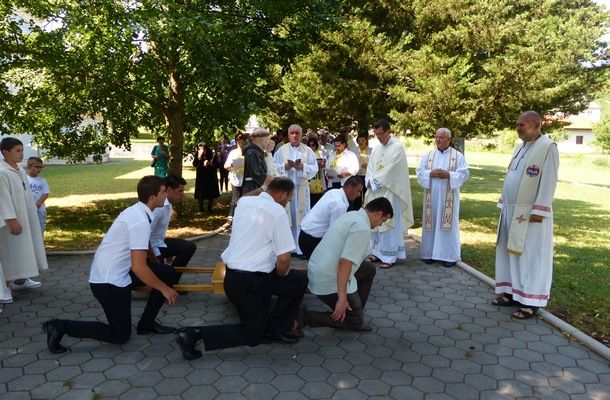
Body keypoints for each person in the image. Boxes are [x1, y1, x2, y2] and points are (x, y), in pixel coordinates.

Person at [42, 176, 180, 354]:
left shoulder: (138, 211)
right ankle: (59, 326)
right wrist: (164, 289)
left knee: (167, 273)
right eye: (163, 192)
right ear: (152, 197)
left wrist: (158, 270)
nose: (166, 195)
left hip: (121, 271)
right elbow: (139, 267)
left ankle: (147, 324)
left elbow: (141, 251)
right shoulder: (139, 220)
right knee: (120, 335)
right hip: (108, 282)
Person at [174, 178, 308, 360]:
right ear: (283, 195)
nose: (288, 203)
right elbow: (284, 259)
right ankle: (194, 334)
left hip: (234, 278)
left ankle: (278, 328)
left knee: (298, 281)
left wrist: (263, 187)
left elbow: (247, 195)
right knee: (253, 337)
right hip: (251, 284)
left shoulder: (245, 203)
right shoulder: (277, 212)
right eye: (289, 199)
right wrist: (281, 273)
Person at [492, 111, 559, 320]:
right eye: (517, 124)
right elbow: (512, 175)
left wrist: (540, 209)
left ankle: (530, 302)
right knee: (509, 253)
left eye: (522, 125)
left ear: (537, 125)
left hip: (530, 213)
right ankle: (511, 293)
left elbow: (549, 180)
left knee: (528, 257)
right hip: (511, 210)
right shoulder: (520, 146)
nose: (518, 128)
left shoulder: (548, 147)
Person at [298, 197, 393, 331]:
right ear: (378, 214)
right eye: (383, 220)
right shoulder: (361, 228)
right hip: (328, 277)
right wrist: (342, 298)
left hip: (319, 268)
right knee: (354, 322)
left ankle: (354, 310)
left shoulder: (352, 215)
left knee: (368, 269)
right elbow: (344, 263)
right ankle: (302, 318)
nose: (381, 224)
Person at [0, 137, 46, 304]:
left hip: (26, 216)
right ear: (5, 152)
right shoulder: (2, 172)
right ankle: (5, 286)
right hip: (12, 220)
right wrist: (12, 220)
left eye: (22, 150)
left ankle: (20, 280)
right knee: (10, 252)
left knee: (24, 248)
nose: (21, 154)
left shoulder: (19, 169)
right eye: (17, 151)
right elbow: (3, 199)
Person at [416, 128, 470, 268]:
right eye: (436, 137)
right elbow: (419, 172)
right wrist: (430, 173)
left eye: (441, 137)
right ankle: (429, 254)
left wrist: (449, 175)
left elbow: (464, 174)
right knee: (431, 222)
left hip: (448, 196)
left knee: (447, 224)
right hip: (431, 195)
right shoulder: (428, 155)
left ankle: (448, 256)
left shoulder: (457, 156)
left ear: (449, 139)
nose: (438, 140)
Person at [365, 119, 414, 269]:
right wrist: (369, 180)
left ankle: (389, 256)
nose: (379, 137)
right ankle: (376, 252)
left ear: (388, 131)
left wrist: (375, 181)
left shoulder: (397, 147)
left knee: (388, 222)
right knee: (374, 222)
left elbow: (393, 170)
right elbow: (370, 168)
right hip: (375, 191)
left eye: (381, 134)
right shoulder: (376, 148)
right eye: (376, 134)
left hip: (390, 191)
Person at [273, 124, 319, 256]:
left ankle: (301, 248)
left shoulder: (308, 151)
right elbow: (274, 167)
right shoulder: (281, 150)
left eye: (297, 133)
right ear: (288, 135)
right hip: (286, 190)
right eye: (292, 133)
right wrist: (285, 166)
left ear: (301, 134)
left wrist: (303, 166)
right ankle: (290, 248)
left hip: (302, 189)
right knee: (288, 217)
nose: (294, 135)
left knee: (302, 217)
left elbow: (314, 168)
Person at [298, 176, 364, 259]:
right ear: (349, 188)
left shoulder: (333, 191)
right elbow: (335, 235)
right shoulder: (339, 204)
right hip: (312, 241)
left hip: (304, 234)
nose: (359, 195)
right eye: (358, 191)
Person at [150, 175, 196, 271]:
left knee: (189, 247)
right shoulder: (159, 208)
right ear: (169, 190)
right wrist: (155, 259)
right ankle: (170, 275)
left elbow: (159, 231)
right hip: (149, 248)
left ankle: (173, 275)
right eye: (180, 191)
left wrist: (168, 251)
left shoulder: (168, 204)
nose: (183, 194)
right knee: (164, 273)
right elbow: (144, 238)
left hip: (159, 243)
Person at [243, 128, 272, 194]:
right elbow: (258, 175)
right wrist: (273, 181)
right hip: (253, 189)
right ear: (262, 139)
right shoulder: (252, 153)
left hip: (255, 188)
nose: (268, 142)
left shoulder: (256, 152)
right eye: (267, 139)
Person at [192, 143, 220, 213]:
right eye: (199, 149)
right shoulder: (198, 154)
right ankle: (201, 208)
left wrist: (210, 163)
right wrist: (199, 157)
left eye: (203, 149)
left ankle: (209, 208)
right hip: (201, 176)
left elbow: (218, 165)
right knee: (200, 191)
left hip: (211, 176)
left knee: (211, 192)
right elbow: (195, 164)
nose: (201, 150)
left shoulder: (212, 154)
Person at [224, 132, 247, 217]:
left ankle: (243, 217)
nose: (241, 142)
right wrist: (232, 167)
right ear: (236, 141)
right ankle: (231, 217)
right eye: (239, 140)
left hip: (246, 179)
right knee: (235, 200)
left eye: (243, 140)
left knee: (245, 200)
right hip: (236, 180)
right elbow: (226, 166)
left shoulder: (248, 152)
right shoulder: (233, 152)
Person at [26, 157, 50, 235]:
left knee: (40, 229)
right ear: (29, 166)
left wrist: (37, 204)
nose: (39, 169)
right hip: (27, 210)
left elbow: (45, 194)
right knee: (28, 230)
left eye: (41, 167)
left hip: (40, 210)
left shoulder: (42, 180)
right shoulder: (24, 180)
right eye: (36, 167)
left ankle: (40, 242)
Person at [354, 133, 372, 210]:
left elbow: (374, 162)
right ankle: (357, 209)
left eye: (363, 140)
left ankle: (367, 208)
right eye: (359, 140)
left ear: (366, 141)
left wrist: (368, 166)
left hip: (367, 174)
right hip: (357, 174)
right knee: (357, 193)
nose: (361, 142)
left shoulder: (371, 150)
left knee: (366, 193)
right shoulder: (354, 150)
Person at [306, 137, 326, 206]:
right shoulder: (306, 154)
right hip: (308, 178)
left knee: (317, 198)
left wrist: (317, 164)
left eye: (313, 145)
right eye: (309, 145)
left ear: (316, 145)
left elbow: (323, 164)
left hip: (318, 178)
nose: (311, 147)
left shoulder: (320, 153)